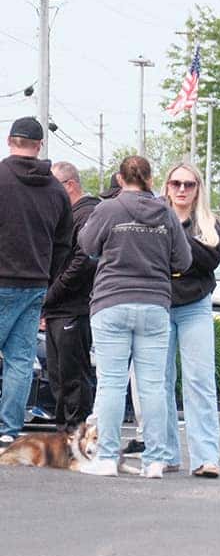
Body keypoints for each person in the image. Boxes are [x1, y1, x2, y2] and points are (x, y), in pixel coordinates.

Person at [77, 156, 191, 477]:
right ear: (151, 179)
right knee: (153, 386)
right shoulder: (165, 214)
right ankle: (155, 460)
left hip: (111, 302)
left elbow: (86, 244)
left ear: (119, 177)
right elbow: (183, 259)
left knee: (111, 384)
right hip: (154, 304)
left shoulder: (108, 210)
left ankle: (107, 457)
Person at [0, 118, 73, 444]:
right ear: (39, 145)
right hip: (35, 285)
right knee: (19, 360)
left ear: (8, 140)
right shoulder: (56, 190)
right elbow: (65, 243)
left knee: (16, 359)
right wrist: (49, 277)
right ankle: (7, 430)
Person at [161, 162, 220, 478]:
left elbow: (208, 260)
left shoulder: (210, 225)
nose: (182, 189)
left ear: (198, 188)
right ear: (167, 186)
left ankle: (205, 457)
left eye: (189, 184)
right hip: (158, 306)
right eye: (176, 183)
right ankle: (166, 453)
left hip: (195, 306)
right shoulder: (153, 218)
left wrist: (174, 236)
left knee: (199, 381)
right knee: (158, 382)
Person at [42, 161, 100, 431]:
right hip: (56, 308)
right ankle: (63, 431)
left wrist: (53, 293)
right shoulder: (65, 215)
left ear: (70, 185)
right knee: (57, 375)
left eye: (54, 186)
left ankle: (77, 432)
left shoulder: (86, 214)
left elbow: (83, 261)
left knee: (73, 374)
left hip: (73, 307)